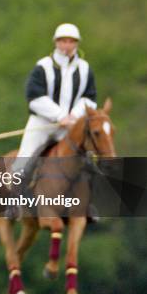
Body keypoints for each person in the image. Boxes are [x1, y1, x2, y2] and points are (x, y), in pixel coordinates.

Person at [11, 23, 97, 185]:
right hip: (42, 123)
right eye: (63, 41)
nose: (67, 45)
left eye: (71, 41)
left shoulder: (85, 69)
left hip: (70, 126)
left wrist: (74, 116)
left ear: (77, 43)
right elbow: (34, 97)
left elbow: (89, 98)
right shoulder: (43, 66)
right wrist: (59, 115)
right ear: (56, 42)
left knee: (88, 162)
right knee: (23, 161)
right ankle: (13, 205)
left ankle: (88, 204)